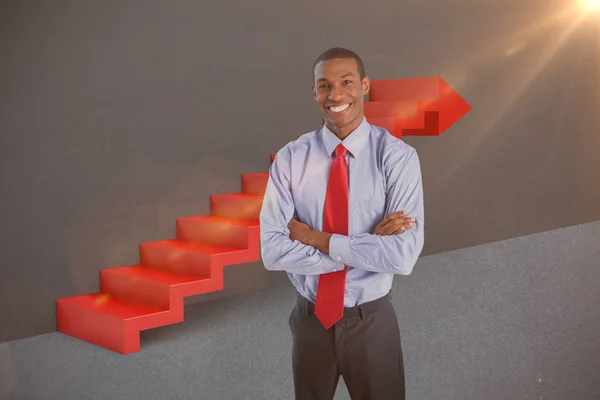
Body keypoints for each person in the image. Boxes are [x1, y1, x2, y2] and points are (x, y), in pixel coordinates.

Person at [259, 47, 425, 400]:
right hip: (310, 318)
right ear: (314, 92)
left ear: (365, 86)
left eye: (346, 82)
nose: (335, 95)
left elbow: (402, 256)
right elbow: (272, 251)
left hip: (372, 322)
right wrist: (364, 246)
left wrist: (314, 237)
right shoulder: (290, 159)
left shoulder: (397, 158)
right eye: (324, 86)